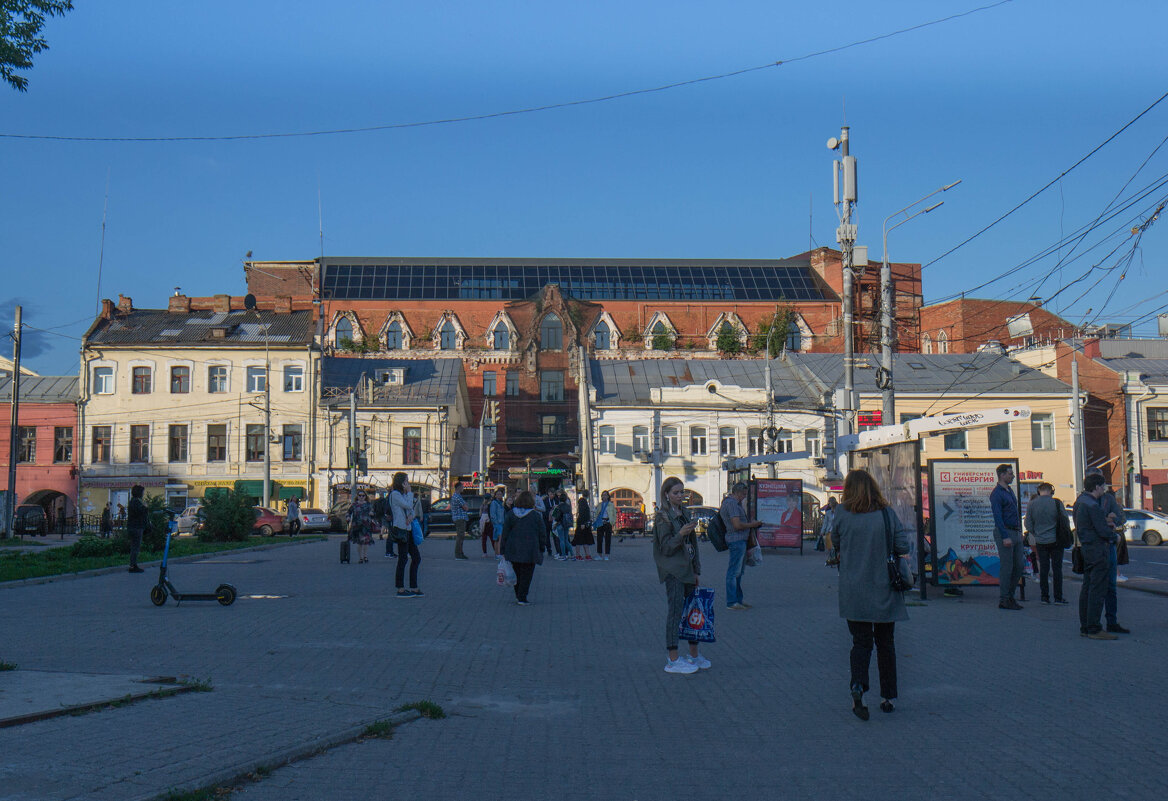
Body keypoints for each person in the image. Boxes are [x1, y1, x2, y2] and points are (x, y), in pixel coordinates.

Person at [833, 469, 910, 720]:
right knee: (885, 643)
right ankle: (888, 697)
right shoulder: (887, 513)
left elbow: (835, 542)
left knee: (861, 643)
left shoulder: (842, 513)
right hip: (884, 587)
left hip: (853, 589)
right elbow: (902, 546)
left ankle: (858, 687)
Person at [652, 476, 709, 674]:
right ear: (666, 494)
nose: (680, 496)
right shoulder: (663, 517)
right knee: (676, 612)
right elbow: (666, 547)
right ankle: (673, 658)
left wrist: (696, 569)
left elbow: (693, 545)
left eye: (682, 492)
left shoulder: (684, 513)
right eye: (675, 492)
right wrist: (681, 534)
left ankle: (694, 654)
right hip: (673, 570)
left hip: (687, 569)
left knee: (693, 612)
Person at [1074, 474, 1118, 640]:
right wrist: (1114, 536)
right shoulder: (1092, 505)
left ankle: (1085, 626)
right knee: (1097, 589)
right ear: (1097, 487)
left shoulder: (1080, 502)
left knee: (1087, 588)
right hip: (1097, 550)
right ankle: (1094, 628)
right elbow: (1102, 530)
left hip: (1086, 548)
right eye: (1103, 486)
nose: (1104, 489)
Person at [1087, 467, 1129, 634]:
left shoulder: (1108, 499)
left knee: (1111, 586)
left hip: (1108, 545)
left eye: (1101, 480)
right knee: (1092, 585)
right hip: (1092, 546)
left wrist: (1113, 519)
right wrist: (1106, 518)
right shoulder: (1085, 500)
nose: (1100, 484)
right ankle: (1091, 623)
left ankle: (1112, 621)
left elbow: (1120, 518)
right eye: (1096, 480)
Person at [499, 490, 549, 605]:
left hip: (513, 548)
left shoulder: (511, 514)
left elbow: (505, 532)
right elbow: (542, 533)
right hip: (530, 549)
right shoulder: (535, 515)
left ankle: (518, 594)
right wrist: (542, 547)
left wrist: (503, 549)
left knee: (516, 572)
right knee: (527, 574)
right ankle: (522, 596)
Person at [719, 482, 762, 610]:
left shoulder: (732, 503)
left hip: (739, 540)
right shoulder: (732, 504)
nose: (744, 496)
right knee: (734, 572)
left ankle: (738, 600)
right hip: (736, 540)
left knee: (738, 572)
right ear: (737, 492)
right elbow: (737, 525)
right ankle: (732, 601)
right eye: (743, 494)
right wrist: (752, 525)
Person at [1024, 482, 1069, 605]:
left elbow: (1027, 524)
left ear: (1039, 491)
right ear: (1051, 491)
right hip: (1056, 540)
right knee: (1057, 569)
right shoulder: (1057, 503)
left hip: (1040, 540)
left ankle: (1044, 597)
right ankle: (1058, 597)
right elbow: (1065, 520)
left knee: (1043, 568)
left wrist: (1036, 533)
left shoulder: (1032, 504)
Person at [990, 463, 1024, 610]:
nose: (1013, 476)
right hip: (1005, 532)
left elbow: (1015, 513)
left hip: (1015, 532)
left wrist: (1020, 532)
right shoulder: (997, 493)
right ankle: (1004, 599)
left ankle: (1011, 596)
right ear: (1002, 475)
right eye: (1010, 474)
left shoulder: (1009, 491)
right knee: (1007, 567)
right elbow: (997, 516)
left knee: (1019, 566)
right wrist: (1004, 536)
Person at [387, 473, 422, 597]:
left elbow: (411, 509)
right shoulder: (395, 494)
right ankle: (400, 588)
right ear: (401, 482)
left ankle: (414, 586)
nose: (408, 484)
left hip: (408, 527)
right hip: (401, 528)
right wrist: (409, 492)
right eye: (406, 481)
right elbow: (408, 505)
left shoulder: (402, 495)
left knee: (416, 558)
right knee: (403, 558)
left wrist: (411, 517)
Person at [347, 489, 375, 564]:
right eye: (360, 495)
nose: (361, 497)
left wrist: (372, 513)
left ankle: (365, 556)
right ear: (357, 496)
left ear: (365, 496)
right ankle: (360, 558)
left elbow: (373, 512)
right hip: (357, 525)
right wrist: (348, 517)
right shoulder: (354, 505)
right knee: (359, 542)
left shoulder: (368, 504)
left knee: (366, 541)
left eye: (363, 495)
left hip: (366, 525)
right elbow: (348, 512)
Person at [126, 485, 148, 573]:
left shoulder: (133, 501)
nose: (143, 493)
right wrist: (145, 507)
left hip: (133, 526)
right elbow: (140, 512)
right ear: (139, 492)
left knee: (134, 546)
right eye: (142, 492)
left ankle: (133, 564)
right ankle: (133, 566)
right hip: (136, 527)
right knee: (135, 547)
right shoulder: (136, 502)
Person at [593, 490, 617, 561]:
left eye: (606, 495)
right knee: (599, 539)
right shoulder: (600, 505)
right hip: (600, 522)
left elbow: (614, 514)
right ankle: (599, 555)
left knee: (607, 539)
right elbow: (596, 513)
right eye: (603, 495)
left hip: (608, 523)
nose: (604, 496)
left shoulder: (611, 505)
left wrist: (612, 522)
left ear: (608, 496)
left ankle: (607, 555)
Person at [553, 491, 574, 560]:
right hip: (566, 524)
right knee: (566, 540)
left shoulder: (558, 507)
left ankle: (563, 555)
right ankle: (572, 554)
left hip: (560, 524)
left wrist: (555, 523)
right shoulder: (568, 507)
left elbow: (556, 517)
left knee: (561, 540)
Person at [451, 482, 470, 560]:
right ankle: (458, 554)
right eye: (462, 487)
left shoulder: (455, 496)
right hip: (460, 518)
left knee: (461, 536)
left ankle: (460, 553)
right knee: (460, 536)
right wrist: (465, 505)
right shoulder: (457, 497)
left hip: (458, 518)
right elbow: (466, 507)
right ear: (458, 487)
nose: (463, 488)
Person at [486, 487, 506, 558]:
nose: (499, 495)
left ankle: (498, 553)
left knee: (498, 539)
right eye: (498, 494)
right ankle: (498, 553)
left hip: (502, 523)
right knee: (498, 539)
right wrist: (495, 523)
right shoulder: (494, 503)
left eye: (501, 494)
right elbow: (493, 514)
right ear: (495, 495)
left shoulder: (501, 503)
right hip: (497, 523)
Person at [573, 495, 595, 560]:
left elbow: (580, 517)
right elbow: (587, 517)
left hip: (581, 526)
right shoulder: (586, 508)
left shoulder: (581, 509)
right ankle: (587, 554)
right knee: (585, 541)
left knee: (579, 541)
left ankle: (578, 555)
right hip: (585, 526)